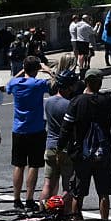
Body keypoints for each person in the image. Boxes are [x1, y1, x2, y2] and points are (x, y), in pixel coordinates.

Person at [60, 69, 111, 220]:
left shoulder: (77, 101)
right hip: (102, 154)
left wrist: (60, 149)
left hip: (81, 154)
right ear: (100, 83)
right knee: (103, 193)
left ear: (85, 82)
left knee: (78, 193)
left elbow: (65, 128)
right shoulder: (107, 100)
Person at [6, 56, 53, 210]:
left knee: (18, 165)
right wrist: (48, 70)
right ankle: (29, 198)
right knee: (33, 165)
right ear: (36, 70)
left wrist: (23, 69)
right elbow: (56, 83)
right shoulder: (38, 84)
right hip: (36, 129)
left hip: (18, 128)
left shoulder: (15, 83)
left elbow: (9, 83)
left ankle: (16, 198)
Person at [42, 70, 79, 202]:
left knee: (48, 183)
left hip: (50, 145)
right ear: (69, 86)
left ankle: (43, 210)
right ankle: (65, 214)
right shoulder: (69, 105)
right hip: (65, 148)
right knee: (67, 186)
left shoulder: (48, 102)